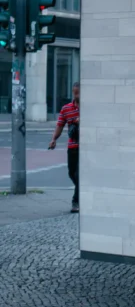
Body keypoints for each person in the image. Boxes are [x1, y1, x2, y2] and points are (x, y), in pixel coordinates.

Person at [49, 82, 80, 213]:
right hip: (72, 146)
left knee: (80, 175)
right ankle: (83, 190)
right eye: (74, 92)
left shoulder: (91, 108)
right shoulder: (66, 108)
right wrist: (54, 139)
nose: (76, 94)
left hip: (86, 148)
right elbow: (60, 125)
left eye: (78, 92)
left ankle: (76, 201)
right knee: (71, 173)